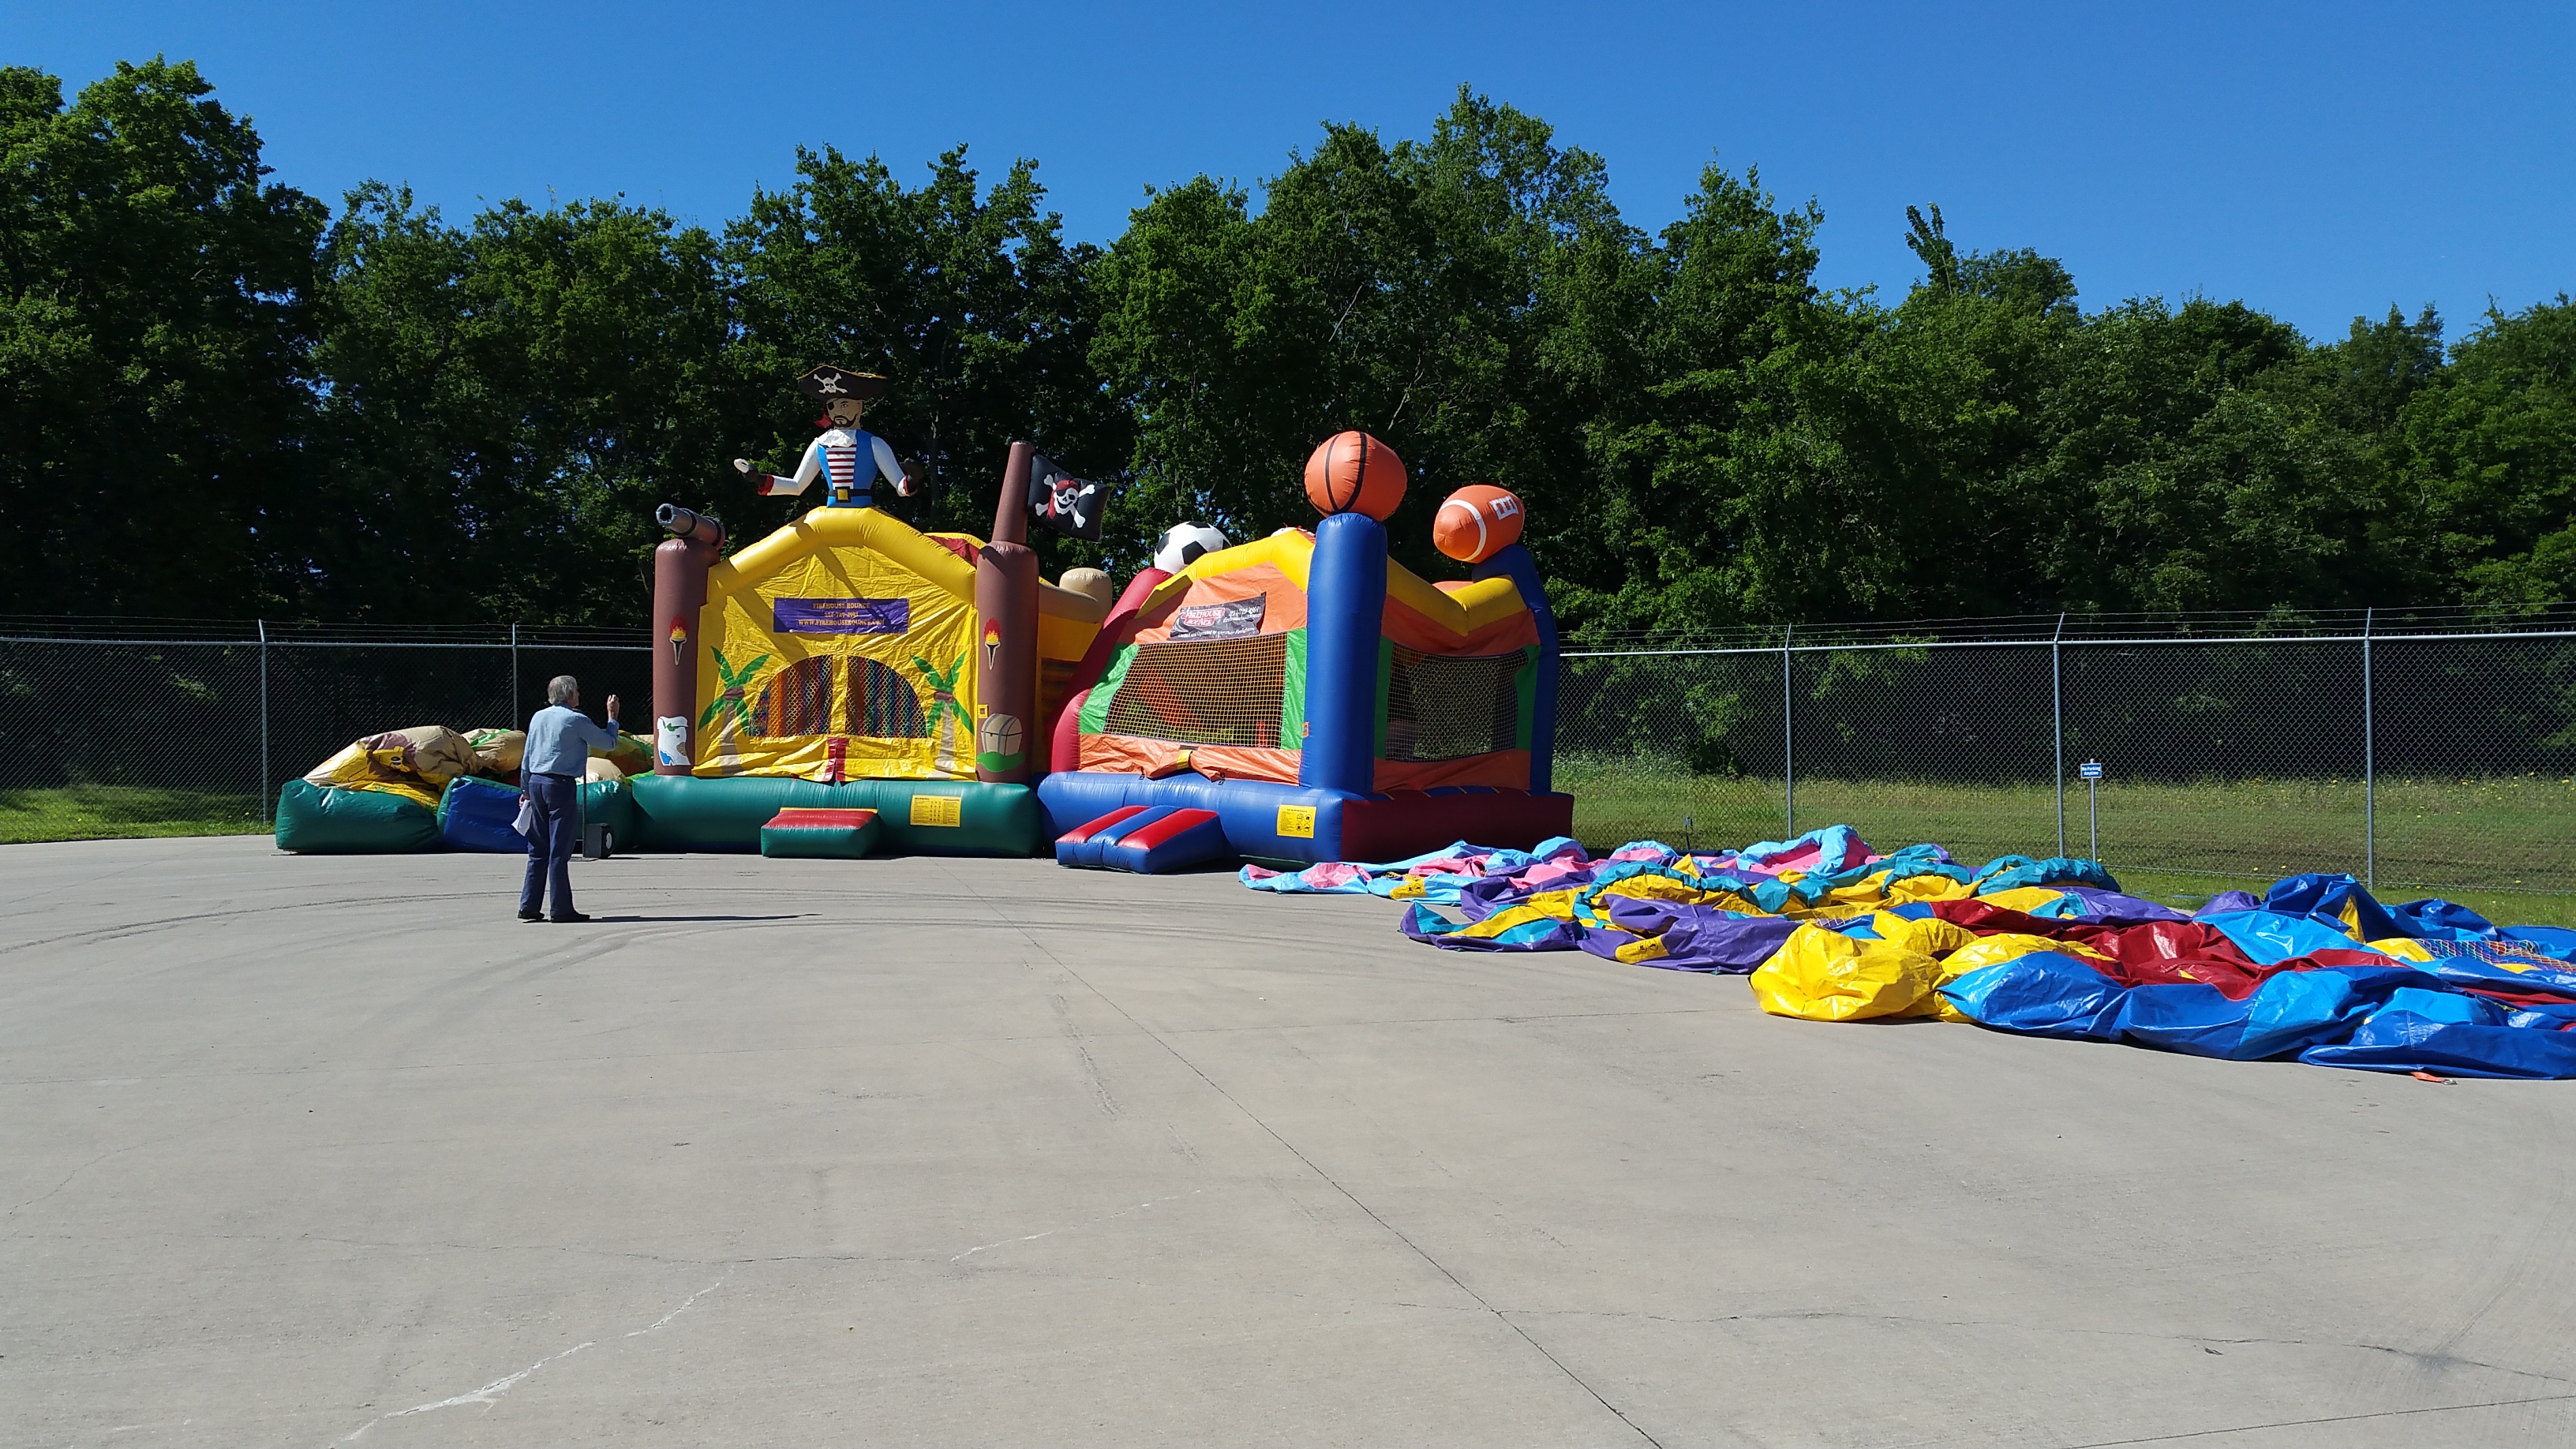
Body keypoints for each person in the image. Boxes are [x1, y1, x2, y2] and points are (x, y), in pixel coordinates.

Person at [732, 365, 916, 507]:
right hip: (830, 517)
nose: (838, 411)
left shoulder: (873, 443)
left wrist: (913, 479)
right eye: (832, 406)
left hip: (864, 516)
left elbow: (900, 486)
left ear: (859, 407)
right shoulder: (820, 444)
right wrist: (759, 478)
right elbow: (797, 485)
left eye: (844, 404)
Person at [520, 676, 620, 923]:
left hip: (536, 782)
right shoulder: (575, 719)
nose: (579, 695)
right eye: (577, 691)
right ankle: (561, 908)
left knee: (538, 848)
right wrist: (612, 717)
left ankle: (529, 905)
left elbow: (527, 755)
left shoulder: (538, 717)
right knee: (559, 848)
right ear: (570, 694)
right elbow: (608, 743)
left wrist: (525, 790)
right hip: (560, 785)